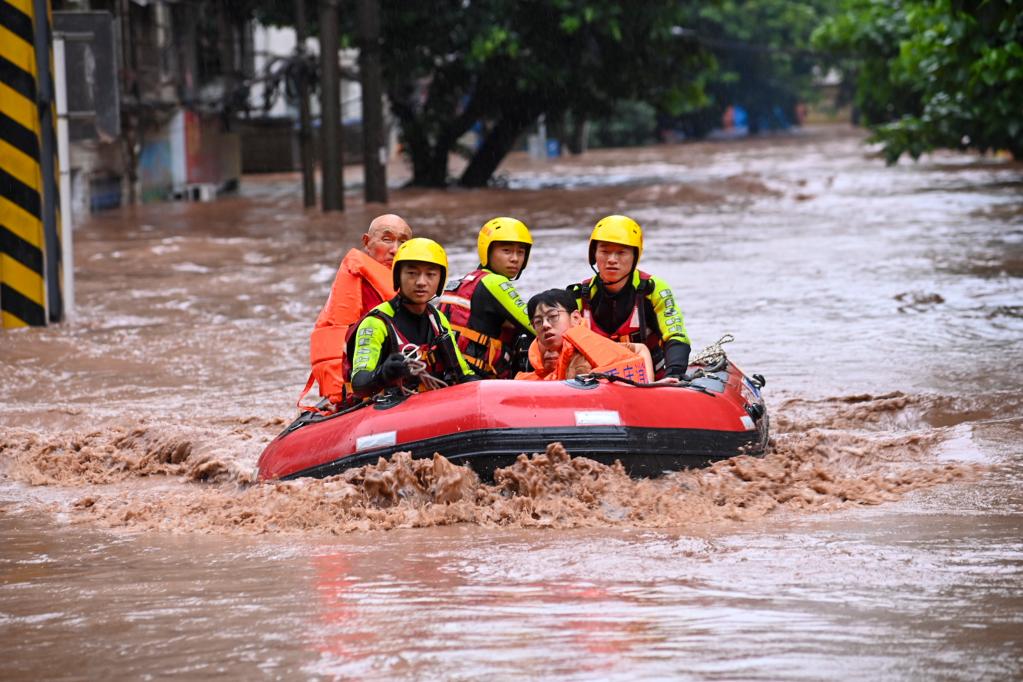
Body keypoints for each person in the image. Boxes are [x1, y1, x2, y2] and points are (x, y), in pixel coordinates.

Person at [304, 214, 412, 406]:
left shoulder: (415, 286)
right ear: (367, 242)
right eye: (386, 240)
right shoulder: (358, 283)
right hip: (362, 384)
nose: (395, 250)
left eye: (403, 242)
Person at [347, 238, 477, 398]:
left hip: (433, 406)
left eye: (430, 274)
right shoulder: (375, 323)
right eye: (412, 273)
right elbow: (359, 385)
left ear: (440, 280)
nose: (421, 282)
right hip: (389, 411)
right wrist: (384, 373)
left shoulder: (438, 319)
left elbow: (463, 373)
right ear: (398, 277)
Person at [568, 215, 691, 380]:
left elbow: (676, 334)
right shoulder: (578, 295)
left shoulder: (653, 289)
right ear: (594, 255)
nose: (612, 260)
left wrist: (675, 373)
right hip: (594, 382)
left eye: (621, 252)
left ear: (635, 257)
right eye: (604, 251)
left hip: (652, 379)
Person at [437, 217, 535, 378]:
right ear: (487, 251)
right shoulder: (494, 282)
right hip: (478, 379)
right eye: (507, 251)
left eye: (521, 252)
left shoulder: (465, 282)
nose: (515, 259)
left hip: (449, 375)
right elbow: (535, 325)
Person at [515, 289, 655, 382]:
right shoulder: (544, 361)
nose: (545, 325)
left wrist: (647, 386)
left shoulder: (589, 349)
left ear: (575, 318)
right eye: (538, 321)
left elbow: (640, 349)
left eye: (552, 316)